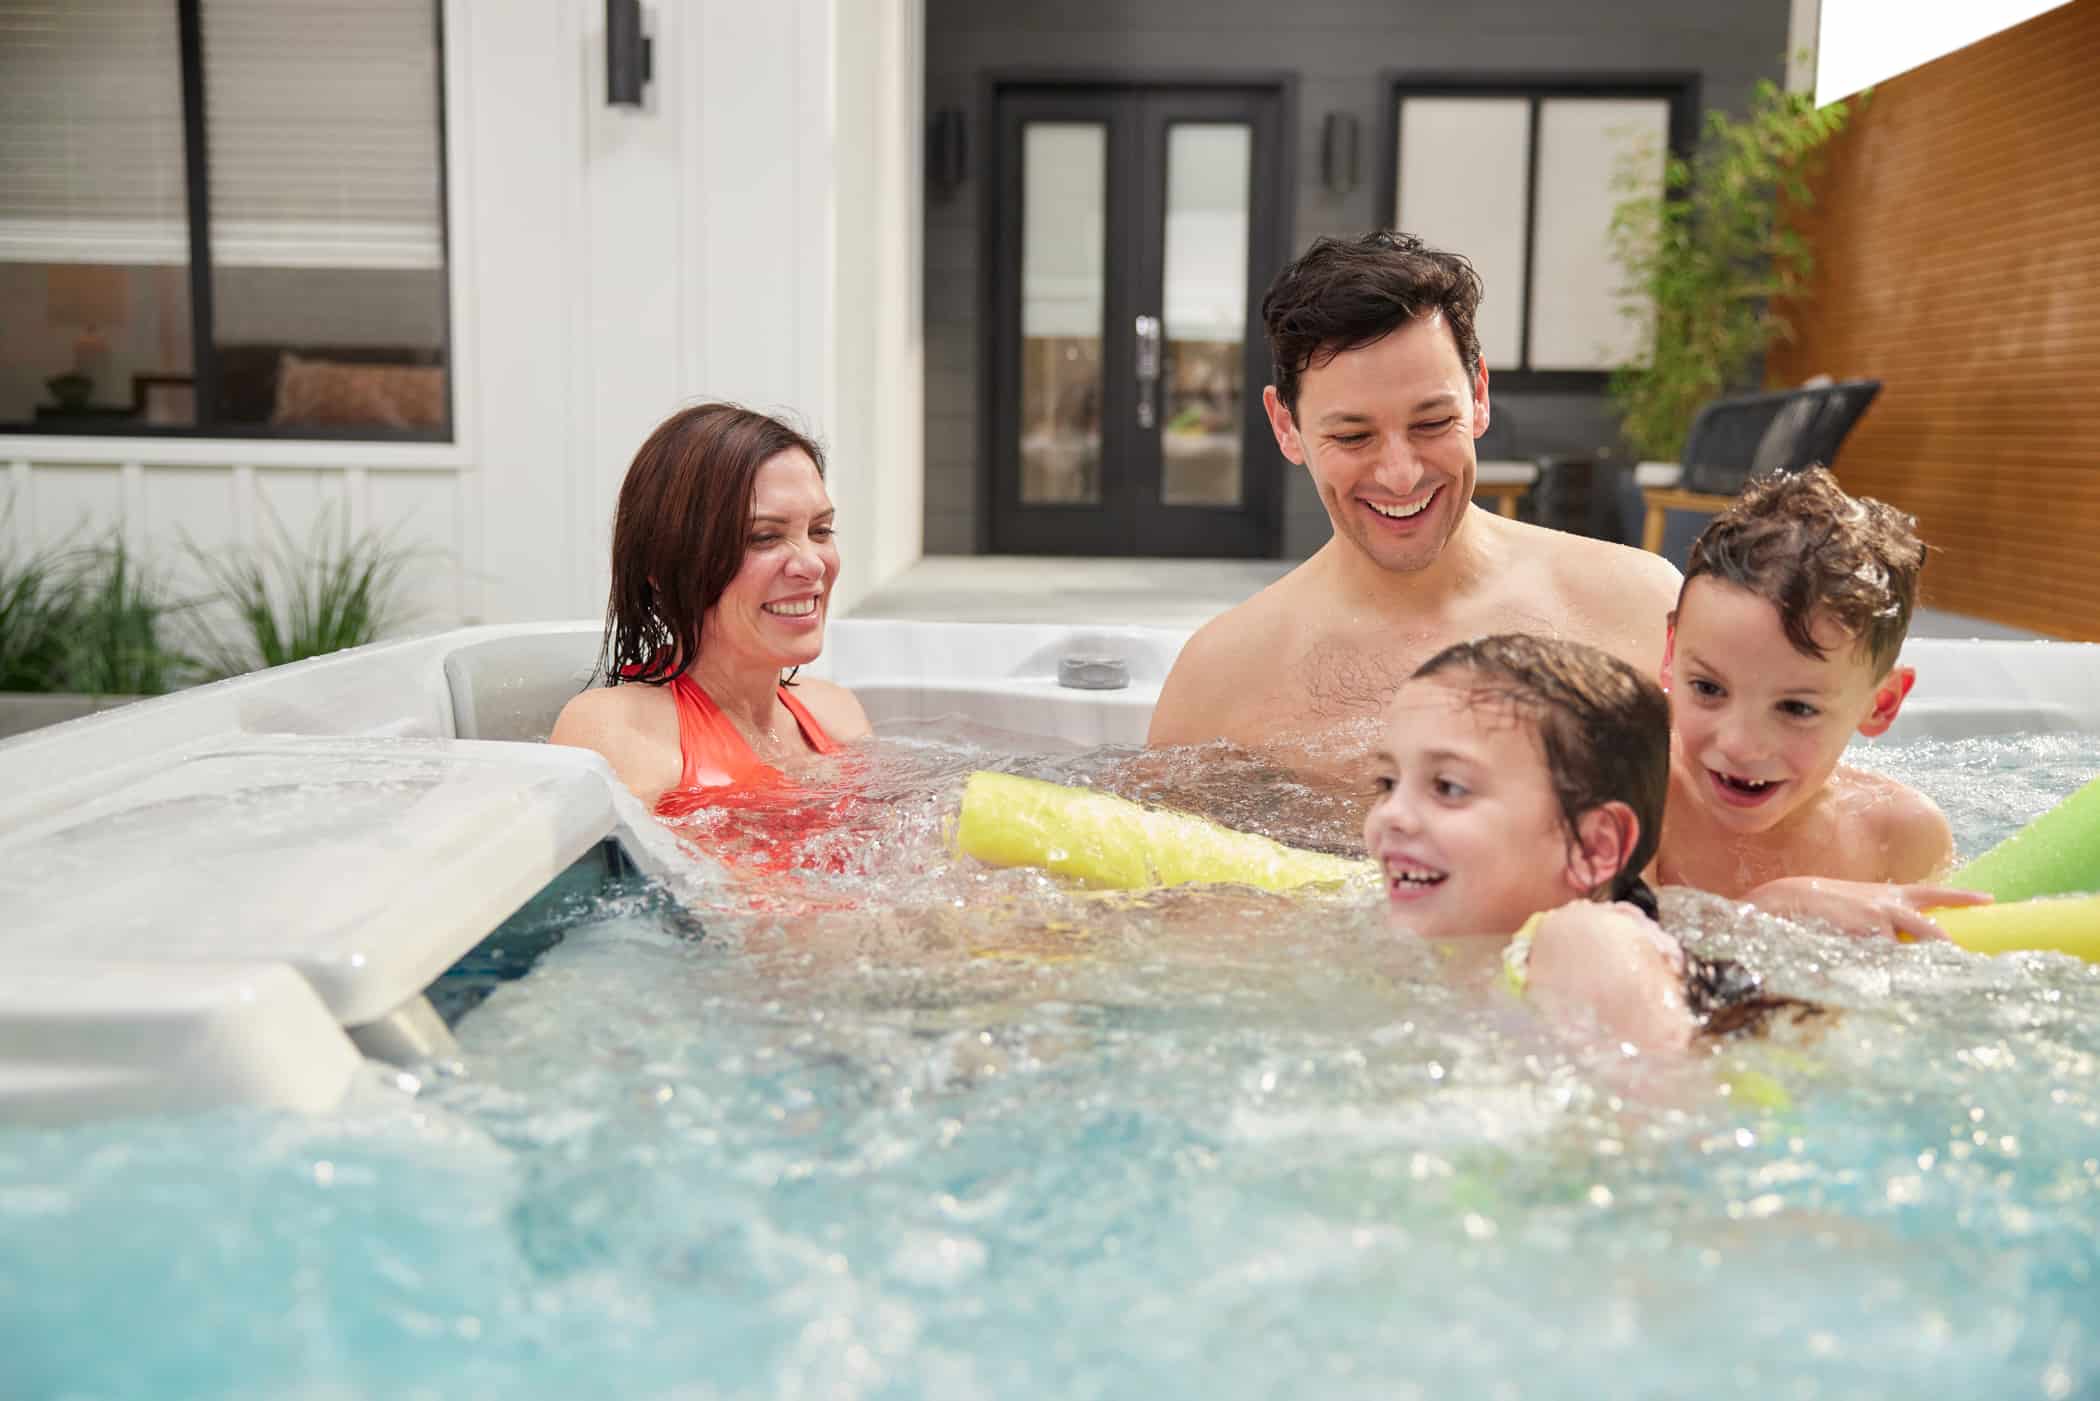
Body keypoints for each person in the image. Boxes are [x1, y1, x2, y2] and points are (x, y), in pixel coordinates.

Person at [1148, 231, 1682, 766]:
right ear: (1286, 426)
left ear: (1478, 396)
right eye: (1354, 437)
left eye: (1431, 423)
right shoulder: (1220, 680)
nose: (1401, 476)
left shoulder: (1638, 605)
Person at [1364, 633, 1810, 1053]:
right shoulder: (1481, 939)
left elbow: (1674, 1107)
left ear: (1593, 848)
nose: (1391, 815)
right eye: (1388, 782)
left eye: (1449, 787)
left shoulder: (1584, 938)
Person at [1651, 467, 1989, 939]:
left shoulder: (1900, 837)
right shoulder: (1638, 794)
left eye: (1796, 708)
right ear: (1671, 657)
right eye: (1708, 689)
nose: (1740, 745)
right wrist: (1775, 906)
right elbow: (1597, 934)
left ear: (1882, 703)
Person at [550, 403, 870, 818]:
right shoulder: (616, 730)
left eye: (820, 530)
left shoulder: (837, 713)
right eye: (764, 537)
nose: (812, 564)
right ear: (663, 568)